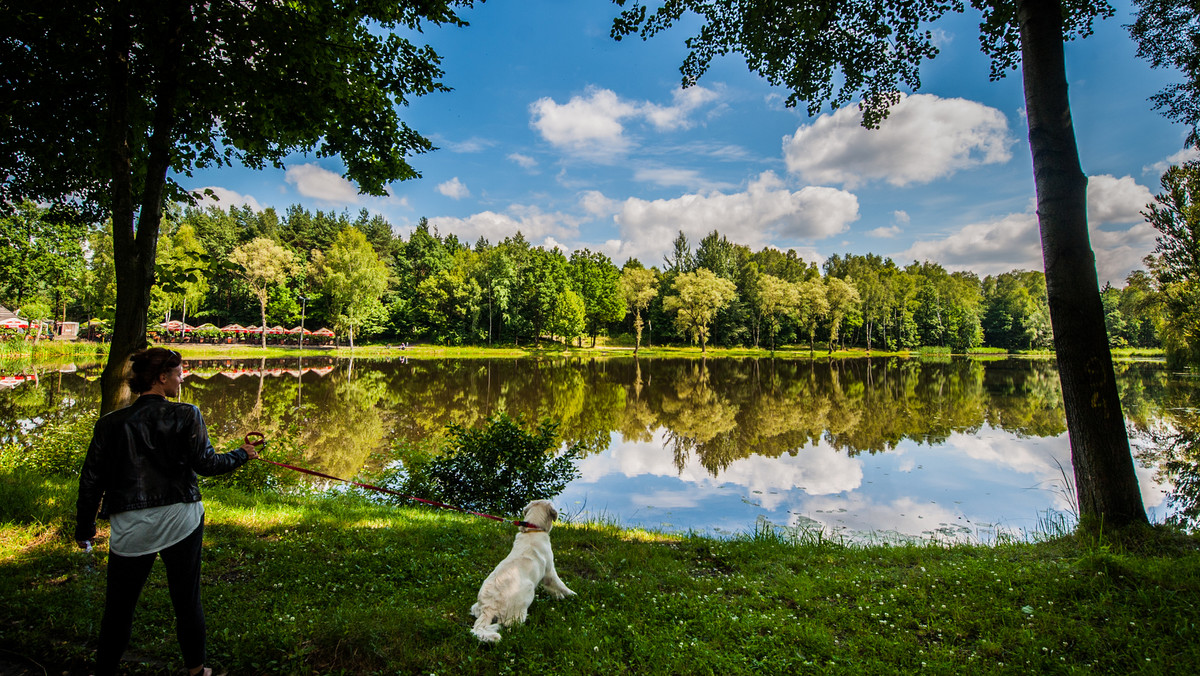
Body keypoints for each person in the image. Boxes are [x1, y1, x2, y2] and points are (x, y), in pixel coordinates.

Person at [75, 347, 260, 676]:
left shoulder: (110, 424)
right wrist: (242, 455)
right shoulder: (187, 414)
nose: (182, 377)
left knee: (119, 606)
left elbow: (91, 480)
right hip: (180, 518)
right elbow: (207, 464)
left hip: (131, 523)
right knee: (186, 598)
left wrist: (85, 526)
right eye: (178, 373)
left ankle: (104, 670)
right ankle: (197, 671)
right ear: (162, 378)